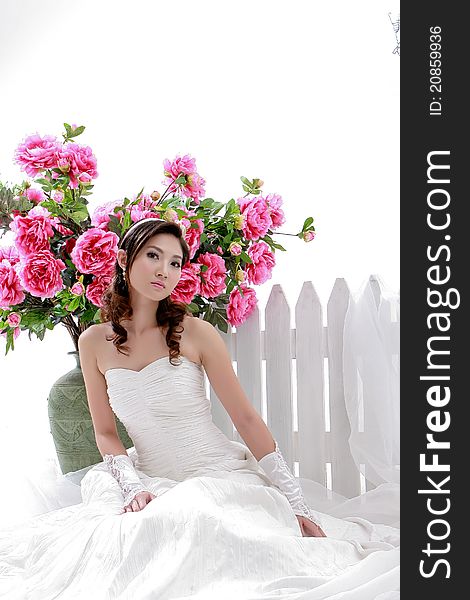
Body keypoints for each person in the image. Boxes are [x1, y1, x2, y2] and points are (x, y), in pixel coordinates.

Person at [0, 217, 400, 599]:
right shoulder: (92, 342)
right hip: (150, 478)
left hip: (217, 474)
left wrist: (293, 499)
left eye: (175, 263)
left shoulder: (195, 332)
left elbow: (245, 418)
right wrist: (132, 486)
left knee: (205, 523)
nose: (165, 271)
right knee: (116, 553)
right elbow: (105, 431)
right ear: (124, 259)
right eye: (153, 256)